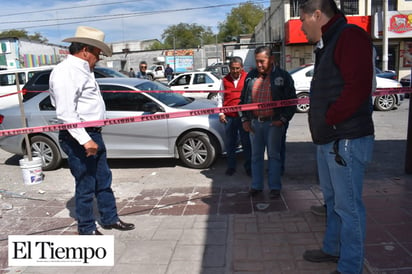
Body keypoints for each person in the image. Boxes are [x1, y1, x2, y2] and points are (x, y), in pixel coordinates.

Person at [299, 1, 375, 274]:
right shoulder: (329, 42)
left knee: (349, 207)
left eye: (303, 19)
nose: (301, 26)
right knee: (333, 202)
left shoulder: (349, 36)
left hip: (345, 139)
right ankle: (332, 248)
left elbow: (358, 88)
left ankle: (350, 267)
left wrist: (329, 118)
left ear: (317, 15)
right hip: (330, 139)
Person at [49, 26, 135, 235]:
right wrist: (85, 140)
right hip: (79, 136)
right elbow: (66, 113)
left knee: (103, 179)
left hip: (93, 133)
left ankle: (109, 218)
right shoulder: (65, 72)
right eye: (98, 54)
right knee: (86, 184)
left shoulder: (83, 70)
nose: (98, 59)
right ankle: (86, 228)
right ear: (86, 50)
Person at [239, 46, 296, 199]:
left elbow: (292, 102)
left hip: (274, 124)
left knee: (274, 156)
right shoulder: (250, 77)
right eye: (257, 61)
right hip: (255, 124)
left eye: (262, 61)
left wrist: (282, 120)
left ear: (271, 59)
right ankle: (256, 186)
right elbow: (243, 101)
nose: (259, 65)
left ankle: (275, 187)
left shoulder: (283, 76)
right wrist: (245, 119)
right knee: (255, 156)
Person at [216, 56, 251, 177]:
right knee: (230, 143)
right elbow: (220, 98)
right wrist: (221, 113)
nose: (235, 71)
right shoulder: (224, 80)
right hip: (229, 117)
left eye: (237, 68)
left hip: (244, 117)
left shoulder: (248, 78)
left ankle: (249, 167)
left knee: (247, 143)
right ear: (229, 68)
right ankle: (231, 167)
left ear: (241, 68)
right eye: (232, 68)